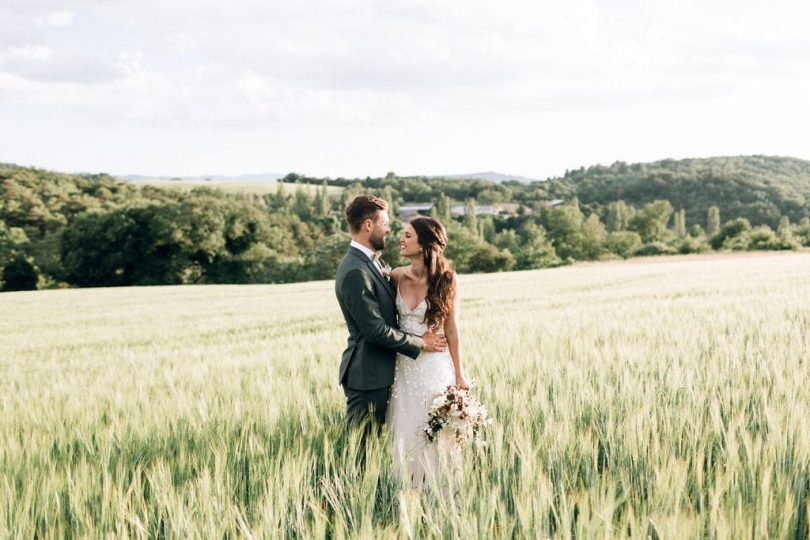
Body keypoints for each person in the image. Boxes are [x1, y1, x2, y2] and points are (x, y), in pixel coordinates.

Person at [334, 196, 448, 460]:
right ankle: (354, 500)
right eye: (385, 223)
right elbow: (374, 329)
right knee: (361, 456)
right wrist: (422, 342)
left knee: (378, 452)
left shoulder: (368, 263)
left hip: (383, 373)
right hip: (368, 375)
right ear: (368, 225)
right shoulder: (355, 270)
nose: (389, 229)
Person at [388, 216, 471, 487]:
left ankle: (440, 492)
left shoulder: (447, 279)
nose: (401, 238)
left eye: (408, 235)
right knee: (405, 430)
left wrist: (460, 374)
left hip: (434, 367)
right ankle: (407, 493)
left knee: (435, 433)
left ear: (425, 244)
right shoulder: (396, 276)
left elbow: (452, 329)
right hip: (404, 365)